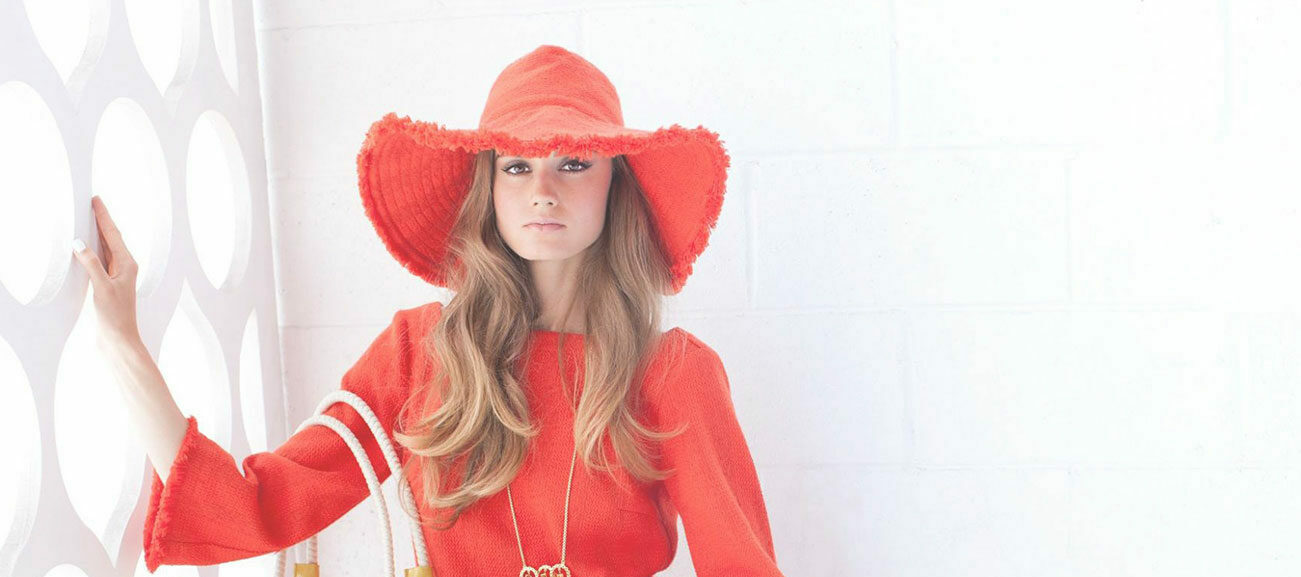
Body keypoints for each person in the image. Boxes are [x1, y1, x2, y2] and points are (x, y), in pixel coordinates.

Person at [75, 44, 783, 577]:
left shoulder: (673, 372)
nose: (543, 190)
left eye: (574, 163)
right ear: (489, 189)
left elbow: (742, 566)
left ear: (614, 185)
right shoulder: (420, 352)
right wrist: (123, 344)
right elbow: (257, 508)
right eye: (516, 165)